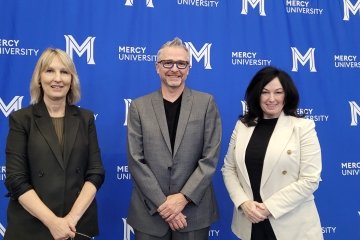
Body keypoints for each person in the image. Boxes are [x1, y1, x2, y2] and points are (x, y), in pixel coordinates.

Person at [126, 37, 222, 240]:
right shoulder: (138, 107)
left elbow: (210, 158)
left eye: (181, 64)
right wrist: (163, 204)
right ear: (157, 67)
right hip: (149, 213)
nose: (174, 69)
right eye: (167, 63)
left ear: (189, 68)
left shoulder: (206, 103)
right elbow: (136, 160)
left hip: (193, 213)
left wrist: (182, 198)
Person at [4, 48, 105, 240]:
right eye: (50, 71)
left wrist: (70, 221)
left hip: (75, 228)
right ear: (39, 78)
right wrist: (53, 222)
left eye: (64, 72)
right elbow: (16, 180)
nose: (57, 78)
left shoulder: (86, 119)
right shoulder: (21, 119)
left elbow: (96, 172)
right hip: (31, 228)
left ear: (71, 79)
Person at [221, 66, 323, 240]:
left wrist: (268, 208)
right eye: (265, 92)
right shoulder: (243, 126)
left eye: (278, 92)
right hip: (250, 222)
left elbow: (310, 179)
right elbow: (228, 169)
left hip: (291, 225)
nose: (271, 99)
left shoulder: (303, 127)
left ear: (287, 95)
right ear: (256, 95)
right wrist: (243, 203)